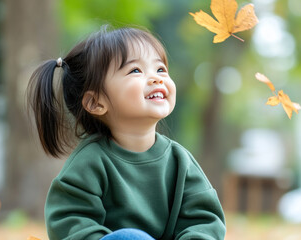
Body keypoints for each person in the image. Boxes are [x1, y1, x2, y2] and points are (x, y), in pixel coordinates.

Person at [27, 25, 226, 240]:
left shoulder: (180, 161)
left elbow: (204, 220)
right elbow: (70, 221)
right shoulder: (90, 162)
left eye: (160, 70)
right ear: (95, 102)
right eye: (135, 71)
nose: (156, 78)